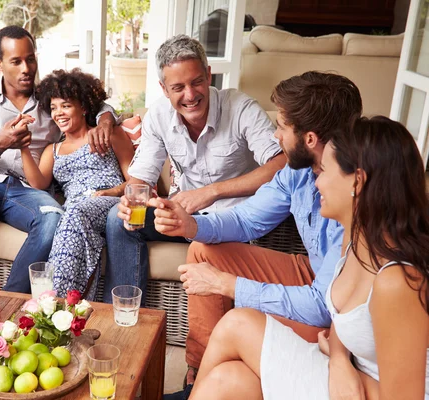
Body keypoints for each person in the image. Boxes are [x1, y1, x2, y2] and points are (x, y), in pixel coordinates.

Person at [154, 71, 362, 399]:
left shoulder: (350, 195)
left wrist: (227, 284)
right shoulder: (298, 170)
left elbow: (324, 306)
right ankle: (199, 371)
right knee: (202, 249)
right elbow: (249, 219)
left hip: (331, 305)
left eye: (281, 126)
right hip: (312, 272)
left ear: (309, 139)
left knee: (238, 325)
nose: (276, 136)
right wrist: (192, 225)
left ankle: (218, 370)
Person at [189, 116, 429, 399]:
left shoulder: (398, 281)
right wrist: (339, 361)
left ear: (358, 182)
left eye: (324, 171)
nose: (317, 183)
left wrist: (351, 375)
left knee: (237, 323)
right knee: (228, 380)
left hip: (365, 392)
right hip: (343, 372)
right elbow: (341, 317)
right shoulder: (354, 242)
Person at [0, 26, 117, 327]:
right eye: (16, 62)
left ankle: (2, 311)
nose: (26, 69)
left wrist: (106, 118)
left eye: (31, 59)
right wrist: (2, 141)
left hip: (28, 191)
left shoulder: (48, 98)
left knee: (53, 217)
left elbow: (93, 101)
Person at [103, 34, 286, 304]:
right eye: (178, 87)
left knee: (205, 242)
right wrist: (131, 200)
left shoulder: (240, 107)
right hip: (183, 218)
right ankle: (126, 315)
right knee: (117, 221)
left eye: (196, 82)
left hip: (232, 223)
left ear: (209, 75)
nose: (190, 95)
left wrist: (211, 192)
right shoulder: (158, 115)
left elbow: (281, 164)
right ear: (164, 89)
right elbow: (141, 177)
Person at [22, 69, 134, 299]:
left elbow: (137, 182)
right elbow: (38, 184)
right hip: (76, 213)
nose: (58, 113)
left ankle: (50, 304)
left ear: (83, 107)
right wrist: (22, 146)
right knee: (72, 213)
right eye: (53, 107)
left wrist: (111, 192)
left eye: (65, 106)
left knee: (74, 212)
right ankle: (72, 306)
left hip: (110, 203)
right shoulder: (53, 150)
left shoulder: (107, 134)